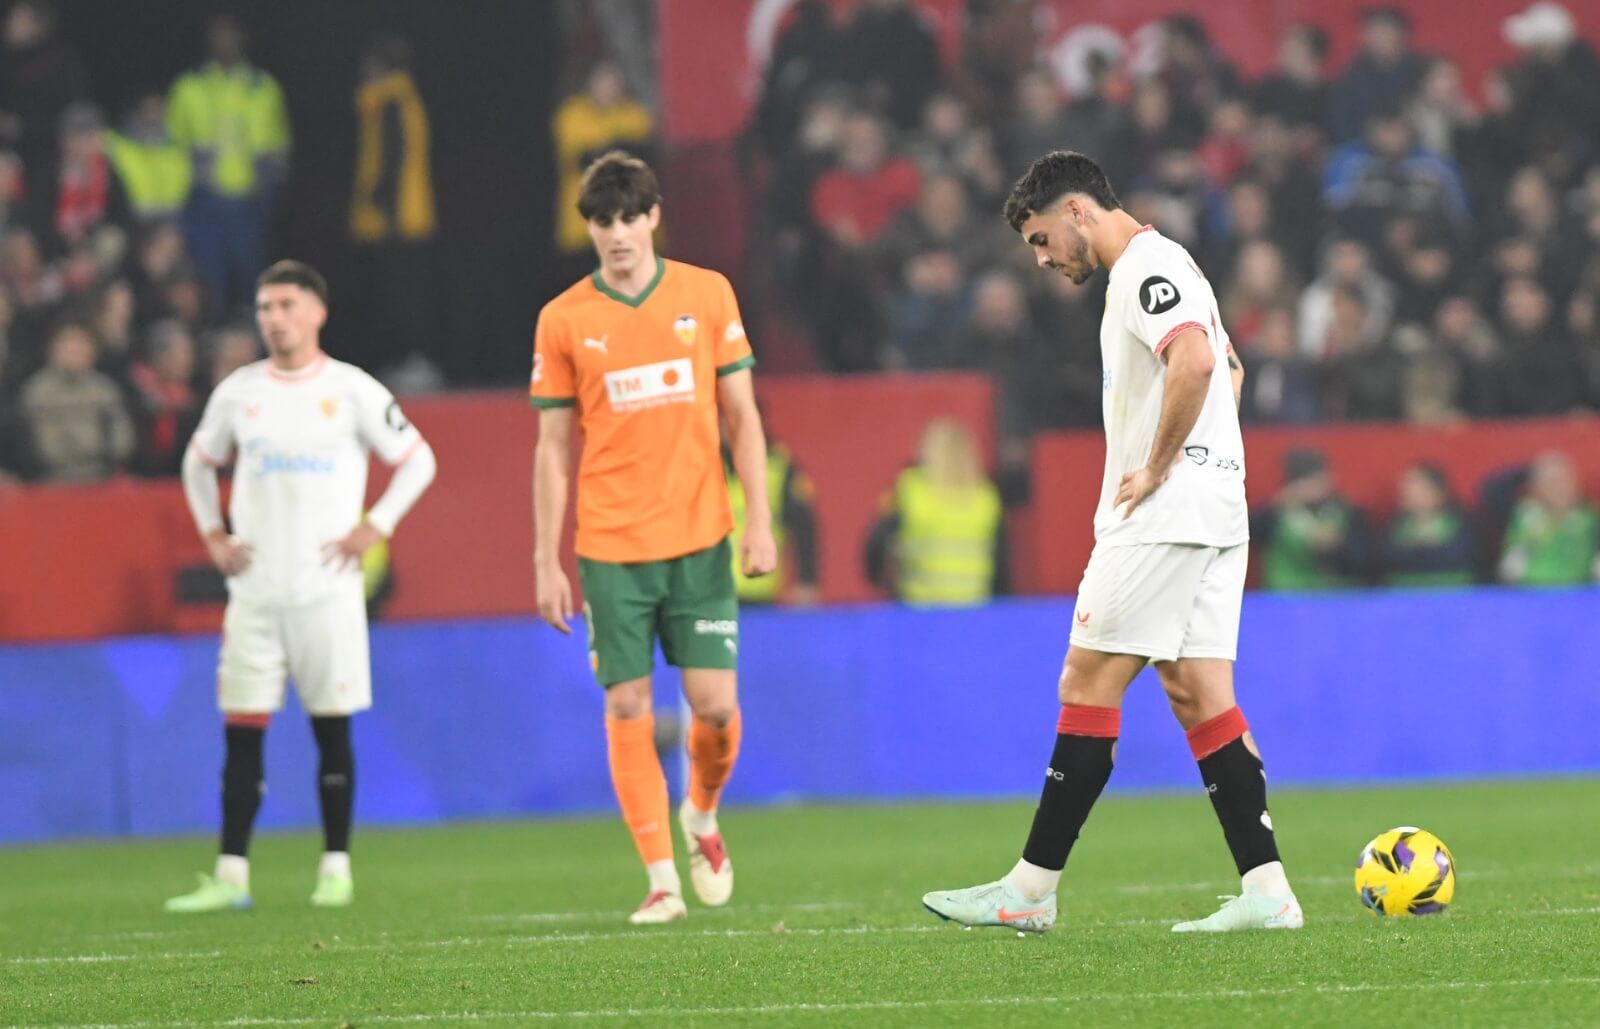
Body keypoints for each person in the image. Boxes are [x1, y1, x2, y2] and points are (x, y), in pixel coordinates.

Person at [921, 151, 1303, 935]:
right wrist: (1206, 456)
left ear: (1077, 211)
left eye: (1039, 239)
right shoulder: (1176, 265)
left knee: (1086, 679)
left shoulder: (1141, 269)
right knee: (1198, 692)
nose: (1041, 258)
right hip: (1216, 507)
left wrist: (1158, 464)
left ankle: (1030, 889)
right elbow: (1229, 370)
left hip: (1166, 511)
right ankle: (1268, 890)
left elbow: (1197, 361)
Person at [530, 152, 776, 925]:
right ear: (589, 228)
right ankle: (662, 879)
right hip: (610, 547)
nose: (618, 233)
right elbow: (551, 448)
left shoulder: (706, 294)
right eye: (603, 221)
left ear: (654, 217)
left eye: (630, 217)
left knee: (715, 709)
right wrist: (545, 559)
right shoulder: (564, 318)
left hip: (700, 538)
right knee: (629, 700)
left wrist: (760, 519)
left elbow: (742, 416)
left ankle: (700, 811)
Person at [165, 260, 438, 913]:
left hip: (328, 591)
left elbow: (418, 460)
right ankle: (231, 875)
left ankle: (336, 868)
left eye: (287, 304)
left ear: (318, 312)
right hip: (256, 592)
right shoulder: (240, 392)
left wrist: (377, 524)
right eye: (265, 307)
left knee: (331, 731)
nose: (274, 318)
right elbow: (197, 464)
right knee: (242, 733)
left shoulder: (351, 390)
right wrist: (213, 534)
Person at [166, 14, 291, 315]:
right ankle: (209, 336)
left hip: (250, 203)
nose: (225, 41)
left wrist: (272, 195)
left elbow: (281, 147)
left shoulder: (263, 87)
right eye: (219, 34)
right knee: (209, 285)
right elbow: (170, 146)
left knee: (255, 285)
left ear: (243, 37)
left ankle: (253, 339)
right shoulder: (189, 87)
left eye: (231, 34)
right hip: (204, 202)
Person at [865, 417, 1003, 606]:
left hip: (919, 604)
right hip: (973, 603)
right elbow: (1001, 557)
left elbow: (877, 542)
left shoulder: (911, 488)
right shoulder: (987, 497)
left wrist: (882, 585)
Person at [18, 320, 134, 481]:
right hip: (49, 479)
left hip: (100, 477)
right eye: (67, 347)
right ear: (52, 351)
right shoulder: (37, 392)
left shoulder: (104, 390)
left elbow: (122, 436)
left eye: (80, 348)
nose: (74, 353)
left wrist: (111, 461)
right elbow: (27, 442)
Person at [1252, 448, 1371, 589]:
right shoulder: (1274, 513)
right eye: (1305, 482)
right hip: (1286, 594)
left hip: (1338, 594)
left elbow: (1365, 561)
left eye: (1317, 480)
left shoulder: (1348, 511)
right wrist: (1273, 508)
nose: (1312, 488)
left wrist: (1336, 547)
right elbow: (1250, 538)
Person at [726, 438, 819, 606]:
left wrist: (807, 580)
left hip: (760, 584)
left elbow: (804, 527)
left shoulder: (779, 466)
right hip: (711, 589)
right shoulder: (706, 460)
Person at [1498, 451, 1599, 586]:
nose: (1561, 489)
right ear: (1538, 488)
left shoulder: (1588, 518)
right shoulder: (1527, 517)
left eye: (1566, 481)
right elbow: (1509, 568)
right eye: (1553, 482)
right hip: (1532, 590)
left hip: (1580, 590)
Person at [1380, 463, 1476, 587]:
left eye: (1414, 484)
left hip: (1453, 591)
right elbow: (1386, 559)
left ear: (1437, 491)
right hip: (1402, 592)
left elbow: (1463, 556)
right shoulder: (1395, 526)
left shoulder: (1461, 523)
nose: (1405, 491)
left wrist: (1415, 551)